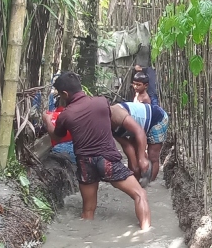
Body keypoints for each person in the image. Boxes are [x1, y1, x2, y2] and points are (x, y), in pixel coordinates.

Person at [42, 71, 150, 229]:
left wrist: (47, 120)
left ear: (65, 93)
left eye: (60, 95)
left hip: (86, 165)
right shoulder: (102, 102)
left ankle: (86, 237)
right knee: (140, 194)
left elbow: (57, 137)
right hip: (108, 161)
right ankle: (145, 232)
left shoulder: (65, 116)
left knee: (88, 211)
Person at [110, 101, 169, 183]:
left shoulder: (117, 114)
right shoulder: (107, 127)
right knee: (135, 157)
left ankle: (150, 183)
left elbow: (140, 132)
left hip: (157, 119)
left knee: (153, 156)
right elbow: (127, 146)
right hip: (138, 126)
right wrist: (133, 167)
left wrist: (142, 159)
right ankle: (138, 182)